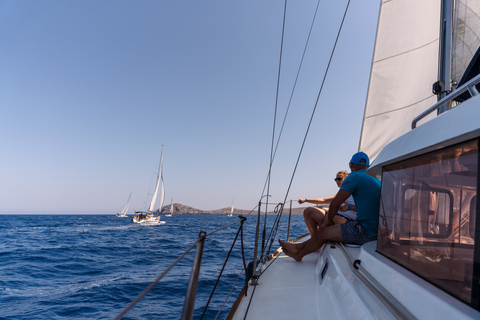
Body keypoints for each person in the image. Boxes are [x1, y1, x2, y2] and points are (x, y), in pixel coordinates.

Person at [279, 152, 381, 261]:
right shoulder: (377, 179)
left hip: (366, 231)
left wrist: (328, 222)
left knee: (323, 231)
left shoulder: (354, 176)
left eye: (338, 179)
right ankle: (297, 247)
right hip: (376, 230)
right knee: (323, 227)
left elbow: (335, 203)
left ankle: (298, 255)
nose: (337, 181)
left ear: (351, 165)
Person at [298, 170, 357, 237]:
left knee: (309, 211)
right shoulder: (341, 193)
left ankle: (315, 239)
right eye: (336, 179)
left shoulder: (353, 191)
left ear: (346, 179)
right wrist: (306, 200)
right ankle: (315, 238)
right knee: (320, 208)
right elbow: (323, 200)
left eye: (339, 179)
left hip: (347, 221)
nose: (337, 181)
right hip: (341, 217)